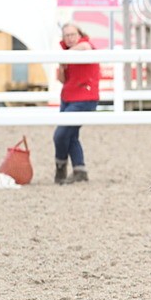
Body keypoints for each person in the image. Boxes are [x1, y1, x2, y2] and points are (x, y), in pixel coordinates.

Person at [54, 22, 100, 184]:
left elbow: (86, 47)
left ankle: (60, 166)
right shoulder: (65, 54)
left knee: (60, 135)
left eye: (72, 35)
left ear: (79, 35)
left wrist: (64, 57)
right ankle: (79, 169)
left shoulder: (84, 46)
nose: (70, 38)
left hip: (84, 97)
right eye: (66, 35)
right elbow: (62, 79)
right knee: (71, 135)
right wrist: (62, 64)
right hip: (68, 97)